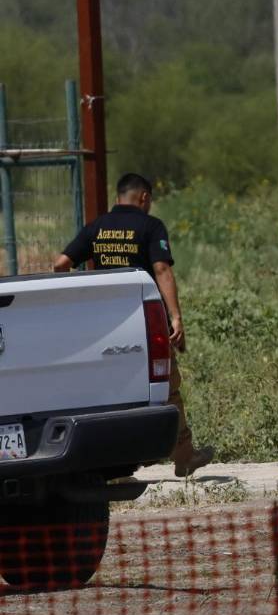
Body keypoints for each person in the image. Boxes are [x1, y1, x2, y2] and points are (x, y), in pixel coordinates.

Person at [54, 173, 214, 477]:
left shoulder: (96, 228)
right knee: (169, 389)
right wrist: (176, 316)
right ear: (144, 198)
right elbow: (162, 268)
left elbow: (61, 264)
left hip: (104, 326)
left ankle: (114, 469)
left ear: (118, 199)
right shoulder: (150, 226)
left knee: (110, 393)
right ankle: (184, 456)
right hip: (146, 323)